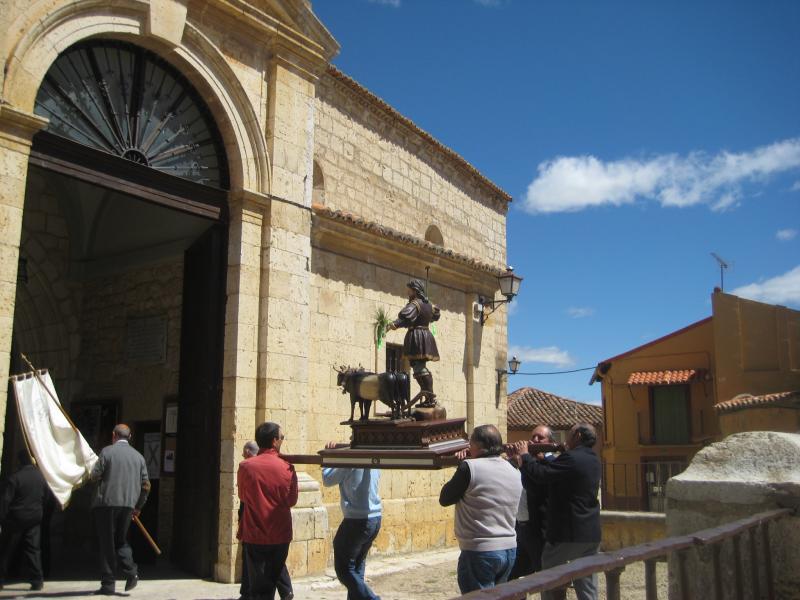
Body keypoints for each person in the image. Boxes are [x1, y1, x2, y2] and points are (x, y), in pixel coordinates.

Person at [516, 423, 601, 600]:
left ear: (577, 435)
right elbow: (560, 471)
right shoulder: (593, 459)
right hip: (590, 533)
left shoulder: (570, 457)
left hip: (567, 533)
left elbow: (542, 475)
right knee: (587, 584)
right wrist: (542, 458)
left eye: (569, 434)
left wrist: (525, 455)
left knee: (549, 578)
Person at [439, 425, 521, 594]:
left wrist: (461, 466)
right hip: (508, 548)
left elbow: (445, 498)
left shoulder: (469, 468)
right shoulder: (514, 470)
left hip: (480, 550)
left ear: (478, 445)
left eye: (471, 443)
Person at [237, 423, 298, 600]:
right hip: (280, 534)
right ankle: (285, 593)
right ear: (274, 441)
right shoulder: (287, 467)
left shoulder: (246, 466)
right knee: (272, 578)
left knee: (258, 585)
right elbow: (292, 500)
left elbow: (243, 496)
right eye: (282, 438)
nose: (282, 441)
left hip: (254, 534)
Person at [90, 424, 151, 595]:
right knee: (120, 541)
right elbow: (146, 485)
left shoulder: (106, 452)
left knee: (107, 543)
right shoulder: (139, 457)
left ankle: (108, 584)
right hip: (128, 505)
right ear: (130, 437)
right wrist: (138, 506)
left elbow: (94, 475)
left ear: (113, 435)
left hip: (107, 505)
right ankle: (132, 572)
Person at [322, 441, 382, 600]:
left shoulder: (352, 459)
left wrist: (328, 456)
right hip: (375, 518)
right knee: (356, 566)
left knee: (344, 569)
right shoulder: (374, 456)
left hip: (357, 520)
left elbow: (328, 479)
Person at [509, 425, 555, 579]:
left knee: (546, 577)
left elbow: (539, 481)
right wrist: (515, 460)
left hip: (539, 531)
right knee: (513, 577)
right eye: (533, 436)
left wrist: (527, 460)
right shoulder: (527, 462)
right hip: (521, 529)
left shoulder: (552, 463)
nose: (535, 440)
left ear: (549, 441)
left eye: (540, 437)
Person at [386, 279, 440, 407]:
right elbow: (435, 316)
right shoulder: (429, 305)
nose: (408, 292)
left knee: (419, 367)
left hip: (417, 337)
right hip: (424, 335)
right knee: (417, 366)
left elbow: (406, 317)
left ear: (415, 290)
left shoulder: (415, 304)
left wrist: (394, 324)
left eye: (409, 290)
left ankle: (430, 396)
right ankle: (427, 395)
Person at [0, 450, 49, 591]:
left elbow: (6, 501)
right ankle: (37, 580)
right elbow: (46, 498)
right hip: (34, 517)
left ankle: (1, 579)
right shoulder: (41, 477)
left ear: (19, 461)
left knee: (6, 549)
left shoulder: (15, 478)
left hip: (16, 518)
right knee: (33, 549)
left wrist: (2, 518)